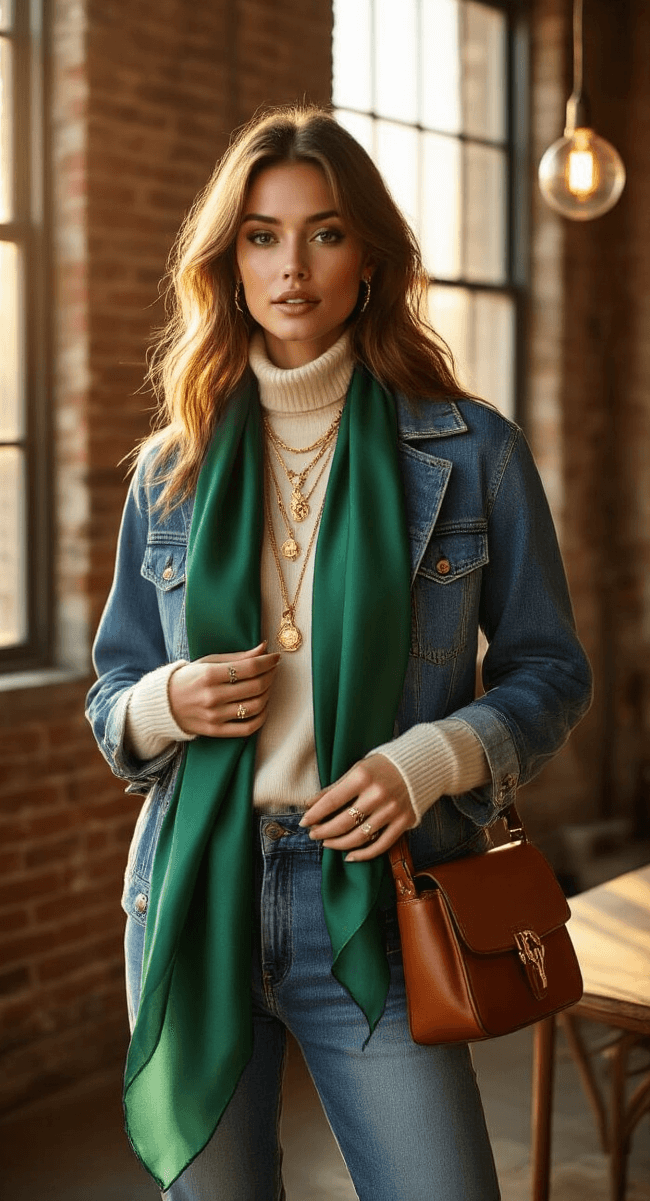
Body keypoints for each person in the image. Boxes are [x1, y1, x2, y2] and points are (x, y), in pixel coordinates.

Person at [86, 105, 592, 1201]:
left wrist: (431, 761)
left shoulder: (470, 449)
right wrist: (169, 699)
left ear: (370, 256)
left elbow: (551, 669)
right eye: (260, 236)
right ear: (227, 264)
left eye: (323, 233)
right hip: (195, 887)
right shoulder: (169, 470)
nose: (291, 267)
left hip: (380, 888)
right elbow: (111, 702)